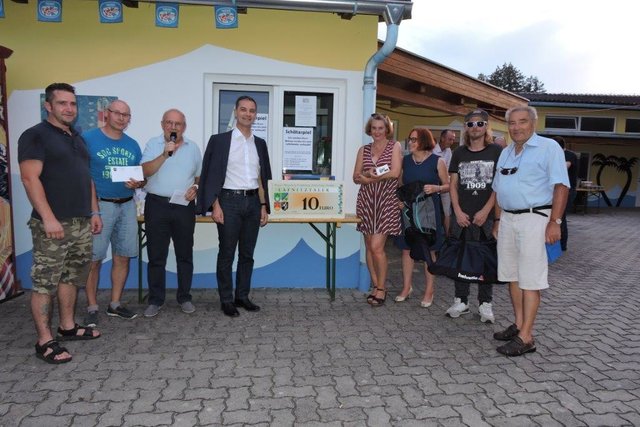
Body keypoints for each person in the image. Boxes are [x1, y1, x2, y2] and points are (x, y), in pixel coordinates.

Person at [18, 83, 102, 364]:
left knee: (71, 278)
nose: (69, 108)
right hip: (52, 224)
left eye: (73, 104)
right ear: (49, 105)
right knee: (45, 283)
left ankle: (67, 326)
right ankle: (44, 341)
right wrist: (49, 217)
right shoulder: (35, 136)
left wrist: (94, 212)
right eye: (63, 103)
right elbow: (30, 179)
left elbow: (85, 177)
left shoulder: (76, 137)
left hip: (80, 222)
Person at [492, 105, 569, 357]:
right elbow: (498, 189)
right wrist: (496, 220)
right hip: (508, 220)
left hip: (535, 219)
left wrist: (554, 222)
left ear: (533, 123)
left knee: (530, 279)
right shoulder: (505, 153)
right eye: (512, 123)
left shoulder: (549, 148)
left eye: (522, 121)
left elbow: (561, 186)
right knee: (512, 276)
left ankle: (526, 337)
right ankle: (518, 324)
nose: (516, 127)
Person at [198, 96, 272, 318]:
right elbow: (210, 175)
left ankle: (242, 296)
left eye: (252, 111)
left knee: (247, 254)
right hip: (228, 201)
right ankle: (226, 300)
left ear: (255, 115)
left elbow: (262, 178)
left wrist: (263, 205)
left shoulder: (260, 144)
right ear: (235, 111)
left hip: (252, 202)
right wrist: (215, 205)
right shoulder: (220, 141)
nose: (247, 114)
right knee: (227, 253)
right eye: (243, 109)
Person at [82, 100, 144, 327]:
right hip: (100, 206)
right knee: (94, 258)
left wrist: (138, 182)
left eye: (126, 115)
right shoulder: (88, 139)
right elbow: (82, 175)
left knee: (123, 256)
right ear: (106, 114)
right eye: (117, 113)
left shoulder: (133, 145)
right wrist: (93, 210)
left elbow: (140, 177)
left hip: (127, 204)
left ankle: (115, 304)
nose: (121, 118)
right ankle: (91, 306)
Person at [141, 109, 201, 317]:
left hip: (184, 206)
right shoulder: (153, 145)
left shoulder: (193, 148)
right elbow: (145, 171)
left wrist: (196, 189)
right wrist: (165, 154)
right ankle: (155, 300)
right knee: (156, 255)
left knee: (185, 254)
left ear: (184, 127)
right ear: (162, 124)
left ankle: (184, 297)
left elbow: (198, 177)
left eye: (178, 124)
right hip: (157, 205)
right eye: (169, 123)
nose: (173, 127)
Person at [446, 109, 502, 323]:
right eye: (470, 124)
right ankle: (461, 300)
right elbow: (453, 185)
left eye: (480, 123)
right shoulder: (459, 152)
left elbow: (498, 186)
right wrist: (458, 211)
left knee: (485, 260)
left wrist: (487, 211)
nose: (475, 127)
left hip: (485, 217)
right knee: (461, 257)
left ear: (486, 126)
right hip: (462, 216)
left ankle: (485, 303)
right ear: (466, 128)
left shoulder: (496, 152)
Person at [395, 128, 449, 307]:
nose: (410, 143)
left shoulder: (437, 161)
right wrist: (400, 200)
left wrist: (436, 188)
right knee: (406, 248)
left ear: (424, 141)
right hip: (409, 211)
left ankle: (429, 291)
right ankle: (406, 287)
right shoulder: (406, 161)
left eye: (414, 140)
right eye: (409, 139)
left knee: (429, 250)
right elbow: (401, 184)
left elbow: (448, 185)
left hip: (429, 212)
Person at [353, 113, 402, 307]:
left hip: (386, 201)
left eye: (381, 128)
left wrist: (371, 178)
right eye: (374, 128)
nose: (377, 132)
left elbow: (395, 172)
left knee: (376, 247)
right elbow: (355, 176)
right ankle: (376, 285)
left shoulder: (395, 146)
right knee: (368, 246)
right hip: (366, 201)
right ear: (369, 129)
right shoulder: (363, 150)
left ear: (387, 129)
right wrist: (365, 175)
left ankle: (381, 288)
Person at [552, 136, 578, 251]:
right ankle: (555, 243)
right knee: (556, 216)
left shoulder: (570, 155)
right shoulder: (553, 154)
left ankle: (562, 245)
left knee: (560, 216)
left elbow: (565, 166)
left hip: (567, 190)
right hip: (553, 190)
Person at [433, 129, 455, 235]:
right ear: (442, 138)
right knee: (434, 210)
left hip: (445, 184)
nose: (451, 142)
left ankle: (448, 236)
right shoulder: (432, 149)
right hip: (433, 184)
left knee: (447, 212)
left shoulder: (449, 151)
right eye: (449, 139)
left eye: (453, 140)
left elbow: (449, 169)